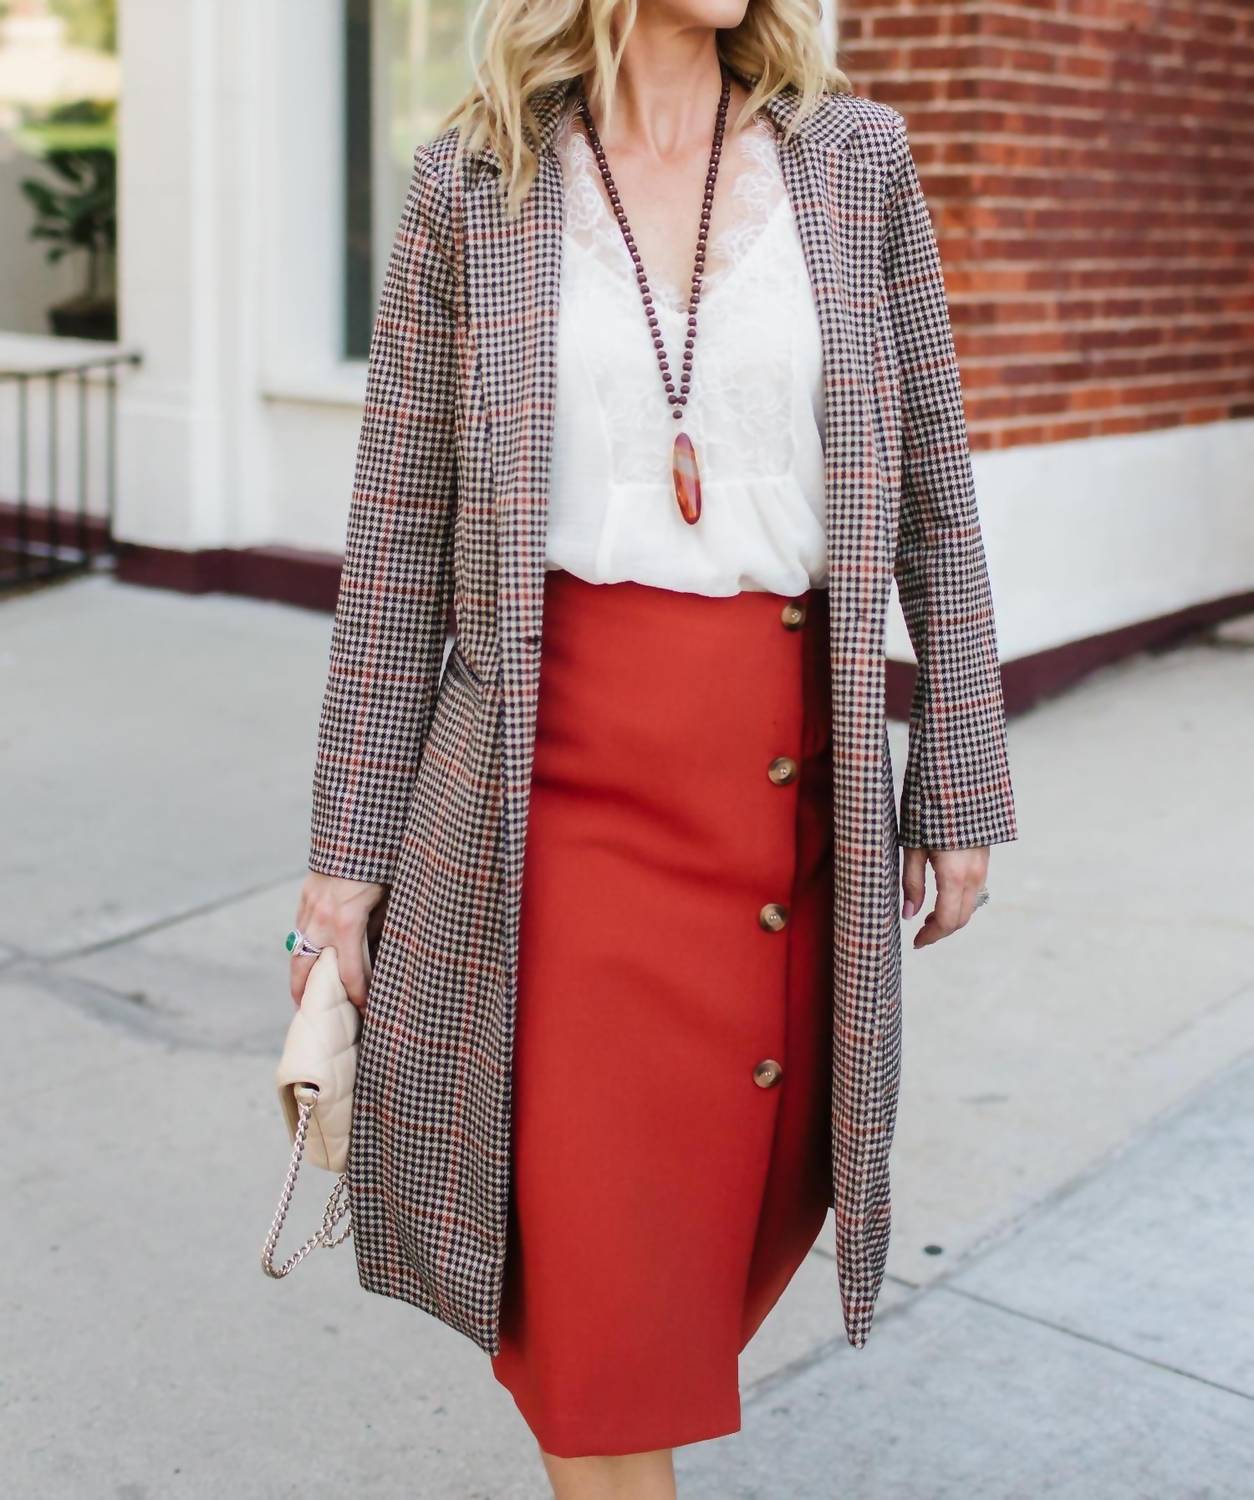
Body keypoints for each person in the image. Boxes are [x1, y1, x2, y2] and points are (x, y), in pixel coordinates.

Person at [287, 0, 1018, 1494]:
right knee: (597, 1333)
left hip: (779, 799)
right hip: (546, 818)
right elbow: (395, 549)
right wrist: (343, 874)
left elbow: (934, 488)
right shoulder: (468, 182)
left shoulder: (854, 160)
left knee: (692, 1262)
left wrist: (956, 778)